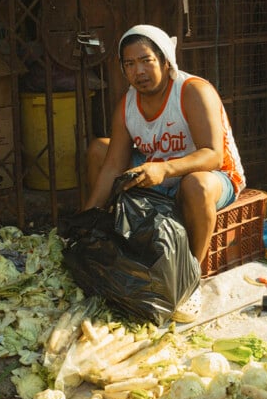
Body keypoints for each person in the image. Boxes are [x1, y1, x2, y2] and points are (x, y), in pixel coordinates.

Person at [84, 24, 246, 323]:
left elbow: (213, 154)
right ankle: (106, 236)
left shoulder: (192, 91)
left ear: (165, 60)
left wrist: (165, 168)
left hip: (213, 175)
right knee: (98, 149)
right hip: (158, 172)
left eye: (146, 60)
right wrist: (86, 220)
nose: (139, 71)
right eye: (129, 64)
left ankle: (189, 280)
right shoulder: (128, 103)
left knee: (194, 185)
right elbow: (112, 165)